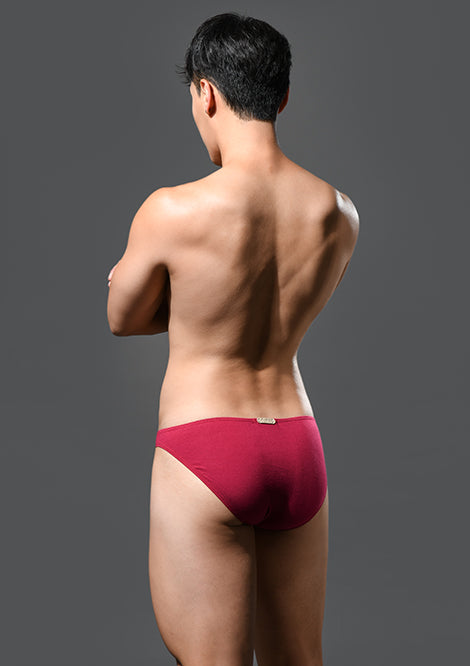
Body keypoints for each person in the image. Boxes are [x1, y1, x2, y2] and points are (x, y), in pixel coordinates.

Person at [106, 11, 359, 666]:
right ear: (282, 96)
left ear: (206, 93)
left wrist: (186, 300)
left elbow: (122, 316)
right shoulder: (337, 214)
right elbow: (278, 306)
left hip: (206, 445)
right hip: (297, 446)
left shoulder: (172, 211)